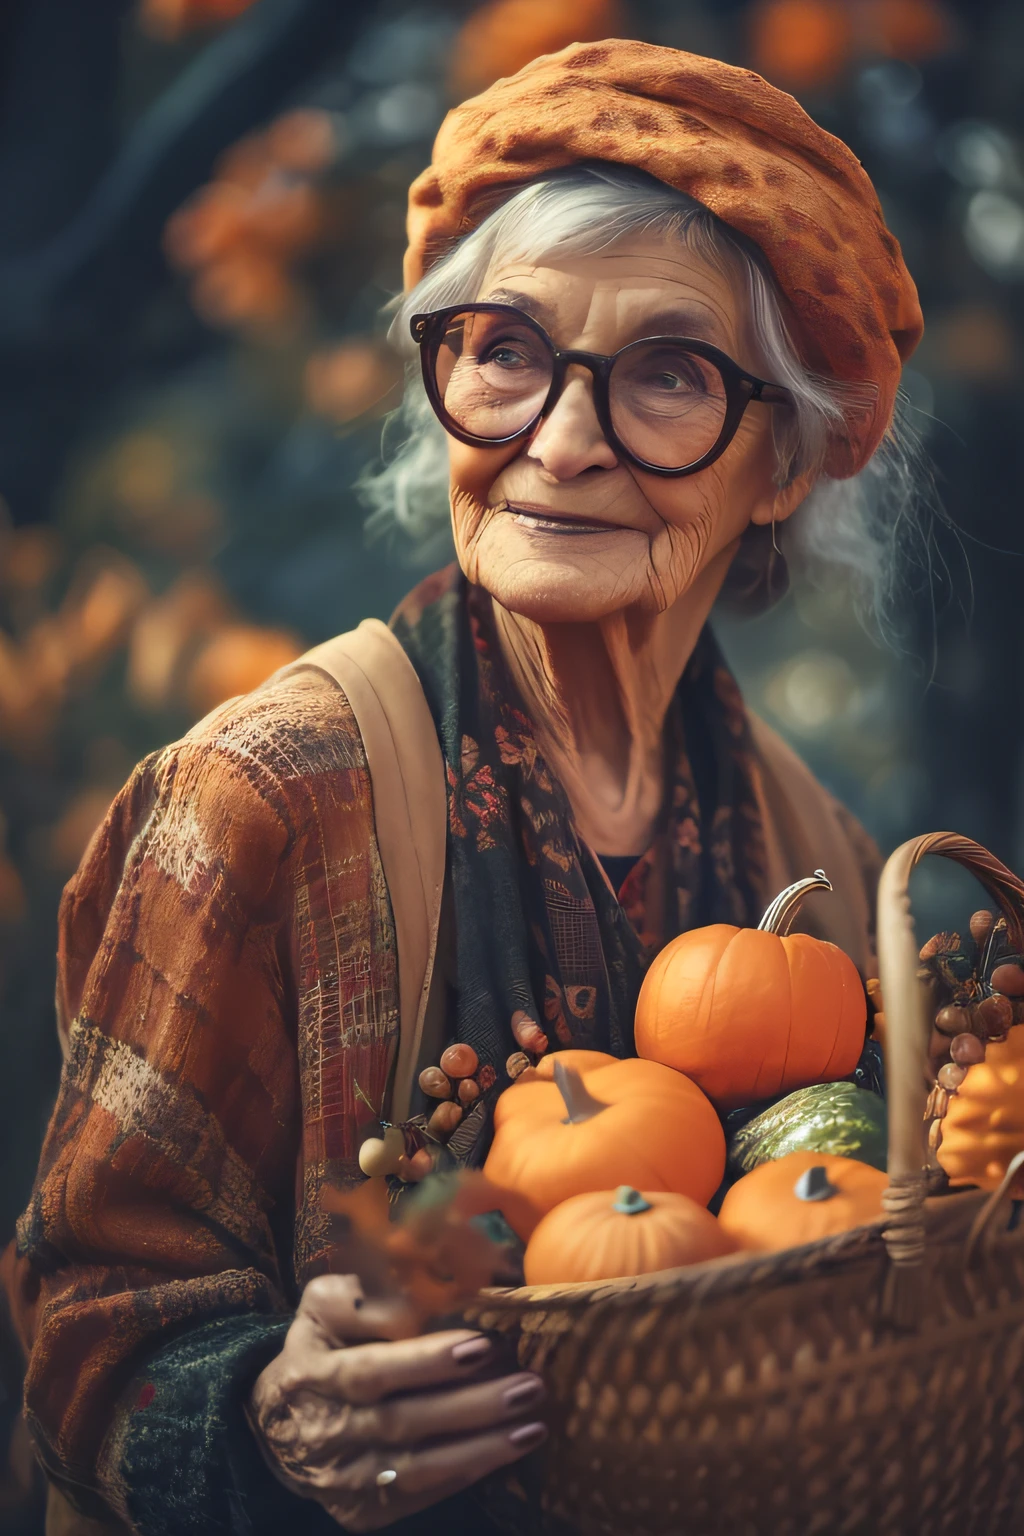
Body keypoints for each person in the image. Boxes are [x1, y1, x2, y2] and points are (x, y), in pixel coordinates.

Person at [5, 38, 925, 1536]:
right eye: (505, 351)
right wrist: (265, 1416)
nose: (559, 444)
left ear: (786, 459)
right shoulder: (265, 797)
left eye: (670, 376)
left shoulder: (814, 852)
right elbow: (85, 1317)